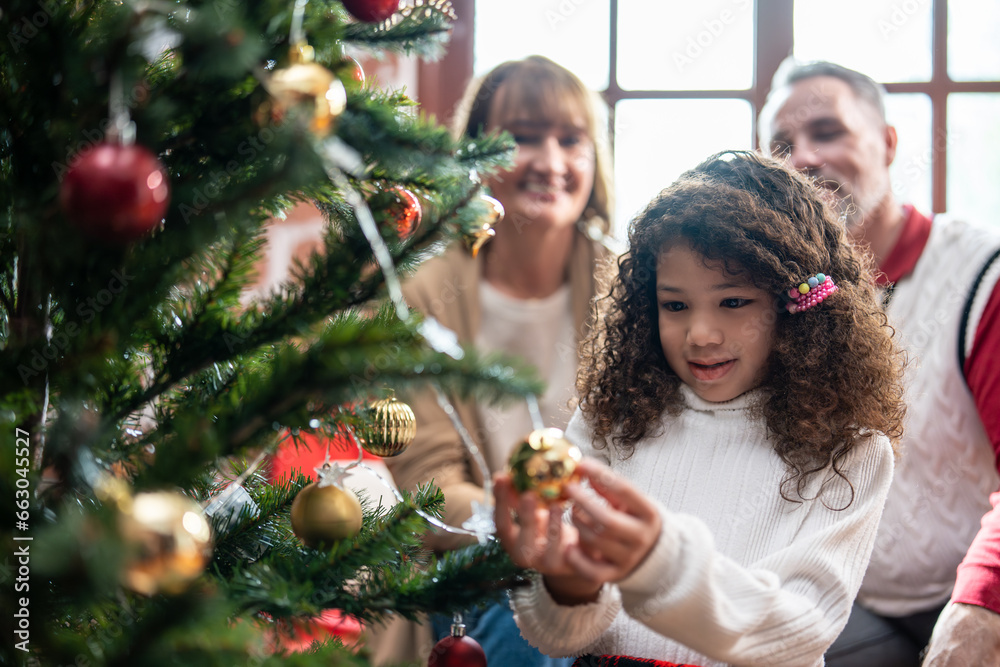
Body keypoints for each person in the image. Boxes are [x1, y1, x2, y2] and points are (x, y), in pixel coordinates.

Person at [493, 150, 906, 667]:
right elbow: (555, 635)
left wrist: (659, 565)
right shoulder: (614, 419)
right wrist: (569, 586)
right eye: (675, 305)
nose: (701, 334)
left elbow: (801, 626)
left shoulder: (850, 451)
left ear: (793, 308)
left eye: (733, 303)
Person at [375, 55, 615, 667]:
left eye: (571, 139)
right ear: (475, 157)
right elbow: (428, 488)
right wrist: (529, 534)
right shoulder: (422, 292)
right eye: (522, 139)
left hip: (602, 553)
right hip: (475, 561)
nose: (551, 162)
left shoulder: (629, 284)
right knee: (523, 627)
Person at [758, 59, 1000, 666]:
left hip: (972, 592)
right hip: (848, 604)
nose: (805, 158)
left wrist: (978, 608)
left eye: (828, 132)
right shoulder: (772, 296)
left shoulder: (978, 274)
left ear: (888, 144)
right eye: (782, 146)